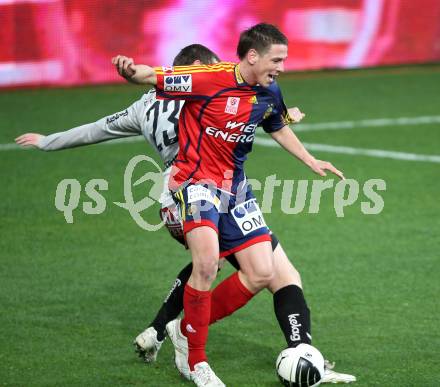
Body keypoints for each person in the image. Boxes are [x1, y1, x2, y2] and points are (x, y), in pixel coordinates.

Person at [17, 43, 355, 386]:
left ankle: (293, 354)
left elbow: (98, 127)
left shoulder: (145, 106)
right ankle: (187, 339)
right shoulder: (207, 88)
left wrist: (49, 141)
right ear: (195, 68)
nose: (219, 70)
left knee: (238, 267)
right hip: (197, 188)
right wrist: (273, 114)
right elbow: (233, 110)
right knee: (243, 269)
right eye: (211, 66)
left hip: (185, 195)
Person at [113, 23, 350, 387]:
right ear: (252, 56)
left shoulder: (270, 90)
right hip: (194, 182)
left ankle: (181, 329)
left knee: (261, 272)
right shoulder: (208, 79)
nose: (282, 67)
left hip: (234, 188)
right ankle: (198, 362)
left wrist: (310, 160)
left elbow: (277, 124)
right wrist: (131, 71)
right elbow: (153, 76)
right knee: (206, 264)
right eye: (277, 59)